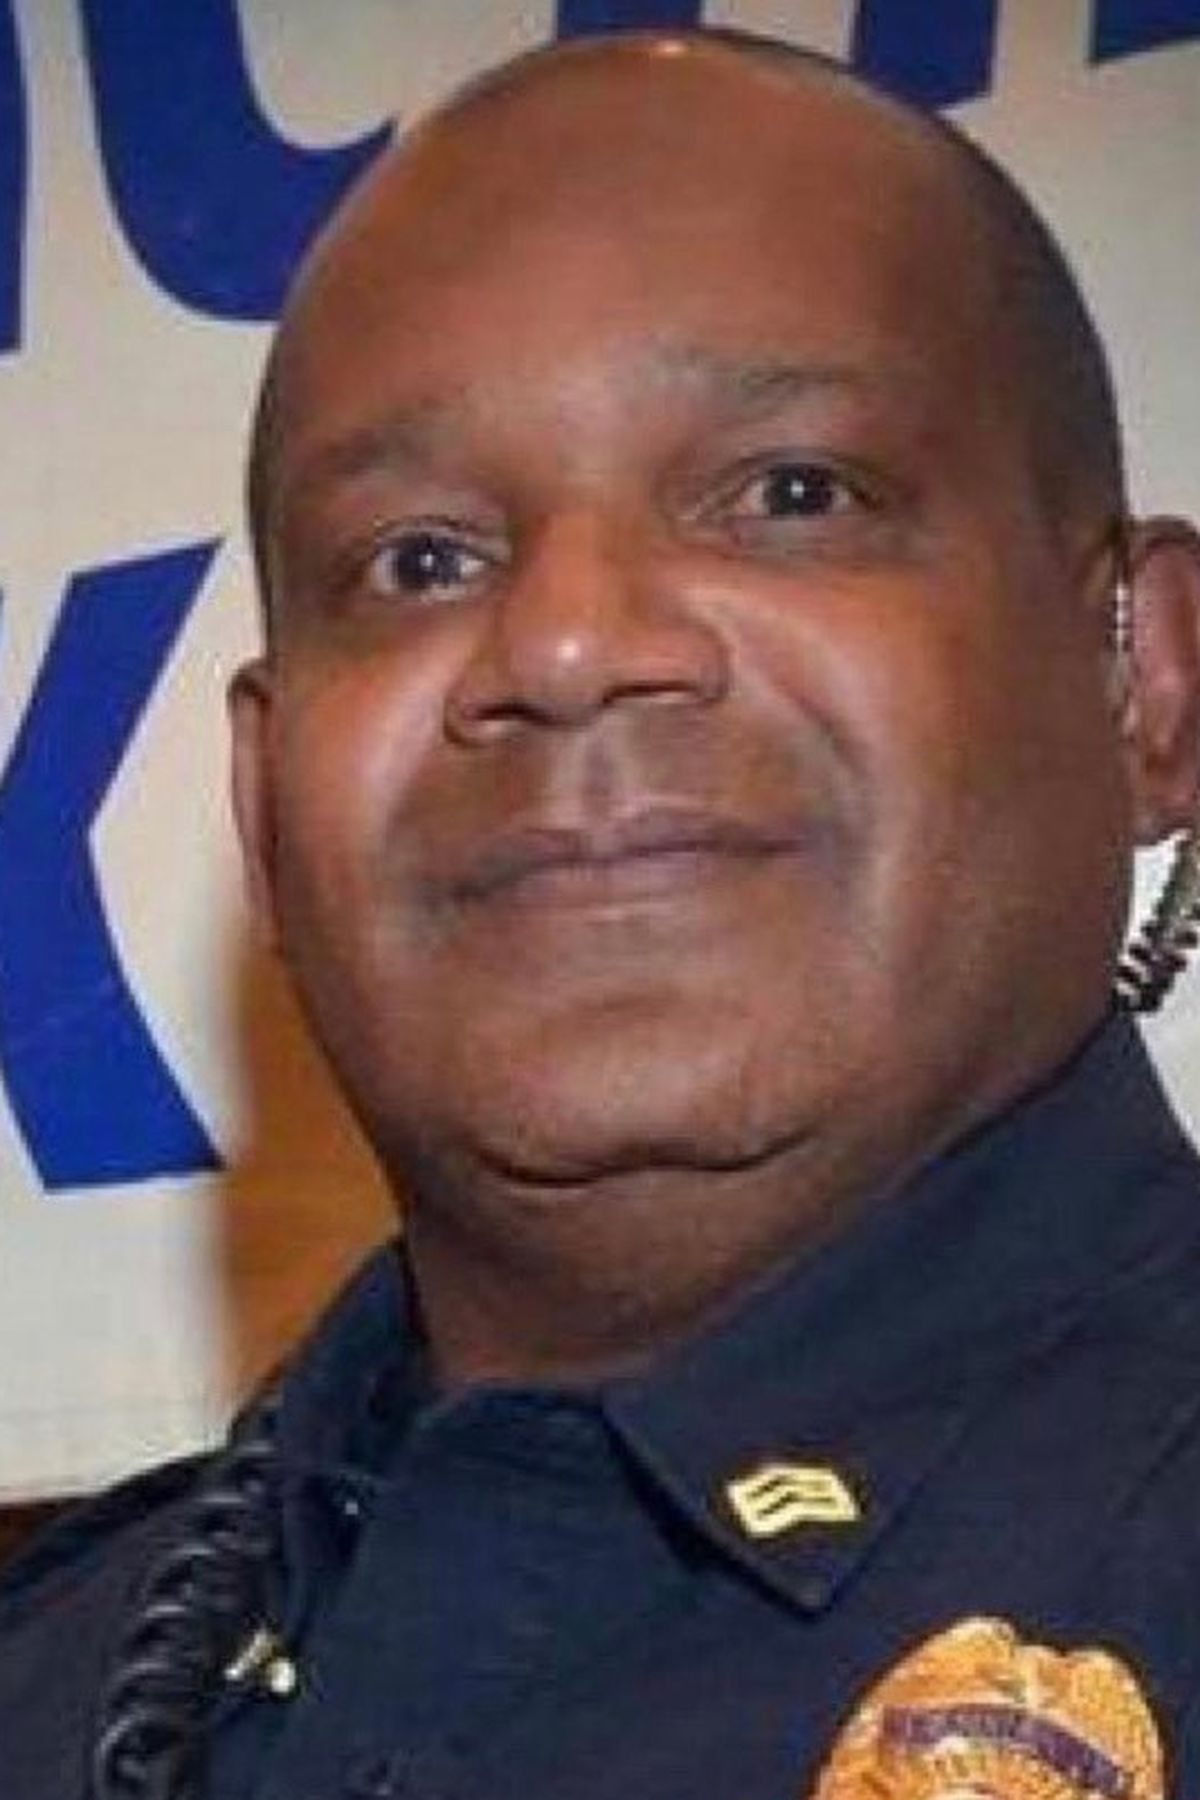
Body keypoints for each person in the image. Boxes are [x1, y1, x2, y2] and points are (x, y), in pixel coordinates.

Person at [4, 24, 1200, 1800]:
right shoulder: (59, 1672)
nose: (565, 645)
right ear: (263, 804)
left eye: (791, 494)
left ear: (1144, 681)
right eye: (419, 560)